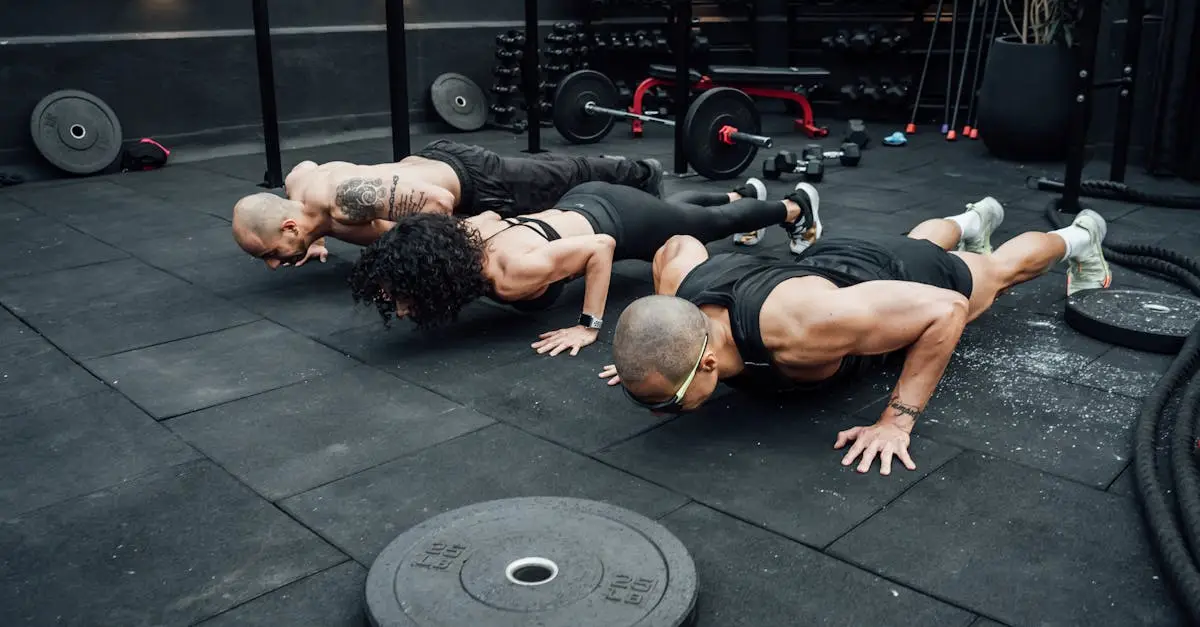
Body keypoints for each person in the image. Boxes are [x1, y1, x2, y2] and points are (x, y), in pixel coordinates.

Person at [600, 198, 1113, 476]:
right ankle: (972, 217)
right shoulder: (682, 296)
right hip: (836, 268)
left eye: (666, 401)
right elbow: (677, 244)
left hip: (904, 277)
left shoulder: (800, 330)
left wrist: (897, 422)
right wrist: (644, 360)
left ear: (707, 363)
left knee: (997, 274)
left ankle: (1081, 239)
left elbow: (947, 311)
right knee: (914, 238)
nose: (655, 412)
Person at [348, 180, 824, 357]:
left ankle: (792, 207)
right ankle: (741, 193)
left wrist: (588, 326)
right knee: (678, 211)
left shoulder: (511, 274)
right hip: (581, 202)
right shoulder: (467, 235)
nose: (404, 310)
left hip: (616, 221)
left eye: (407, 297)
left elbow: (601, 248)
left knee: (703, 226)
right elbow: (491, 217)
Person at [230, 140, 664, 269]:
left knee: (564, 176)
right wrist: (313, 239)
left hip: (473, 182)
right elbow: (304, 164)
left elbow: (437, 202)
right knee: (550, 169)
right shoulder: (298, 188)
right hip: (439, 165)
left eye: (271, 254)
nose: (273, 264)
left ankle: (643, 172)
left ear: (288, 226)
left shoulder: (343, 201)